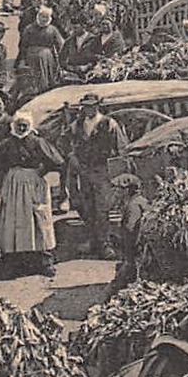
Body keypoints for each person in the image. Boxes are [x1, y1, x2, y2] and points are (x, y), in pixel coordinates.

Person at [0, 112, 63, 278]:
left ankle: (44, 261)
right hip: (13, 184)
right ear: (13, 126)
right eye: (18, 124)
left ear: (29, 126)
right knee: (14, 221)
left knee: (37, 219)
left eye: (24, 125)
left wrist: (42, 170)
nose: (21, 128)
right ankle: (14, 261)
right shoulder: (7, 144)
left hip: (33, 182)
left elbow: (57, 161)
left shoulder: (37, 142)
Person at [65, 92, 129, 260]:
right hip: (84, 171)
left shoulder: (109, 124)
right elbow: (66, 143)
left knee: (102, 209)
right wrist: (72, 157)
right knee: (87, 207)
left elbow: (121, 147)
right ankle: (92, 241)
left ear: (98, 106)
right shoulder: (77, 125)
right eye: (86, 106)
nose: (89, 109)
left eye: (92, 106)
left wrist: (118, 171)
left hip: (102, 171)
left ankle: (105, 244)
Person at [108, 173, 147, 291]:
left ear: (127, 190)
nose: (115, 191)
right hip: (138, 251)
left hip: (137, 254)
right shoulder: (139, 201)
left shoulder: (133, 206)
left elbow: (131, 233)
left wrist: (128, 260)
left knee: (114, 288)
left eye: (118, 188)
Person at [15, 8, 65, 98]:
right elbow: (23, 45)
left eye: (46, 17)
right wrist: (22, 59)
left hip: (46, 57)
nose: (44, 19)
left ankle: (45, 89)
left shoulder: (52, 30)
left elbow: (60, 44)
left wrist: (60, 59)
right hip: (31, 57)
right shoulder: (29, 29)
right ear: (38, 16)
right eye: (42, 17)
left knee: (46, 76)